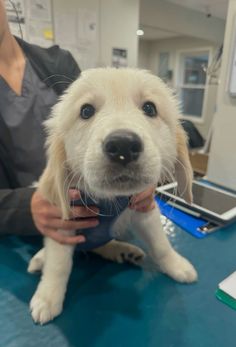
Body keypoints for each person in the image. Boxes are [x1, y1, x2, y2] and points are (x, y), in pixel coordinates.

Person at [0, 0, 155, 245]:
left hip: (98, 207)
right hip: (20, 238)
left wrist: (142, 170)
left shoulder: (59, 63)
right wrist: (21, 208)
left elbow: (103, 126)